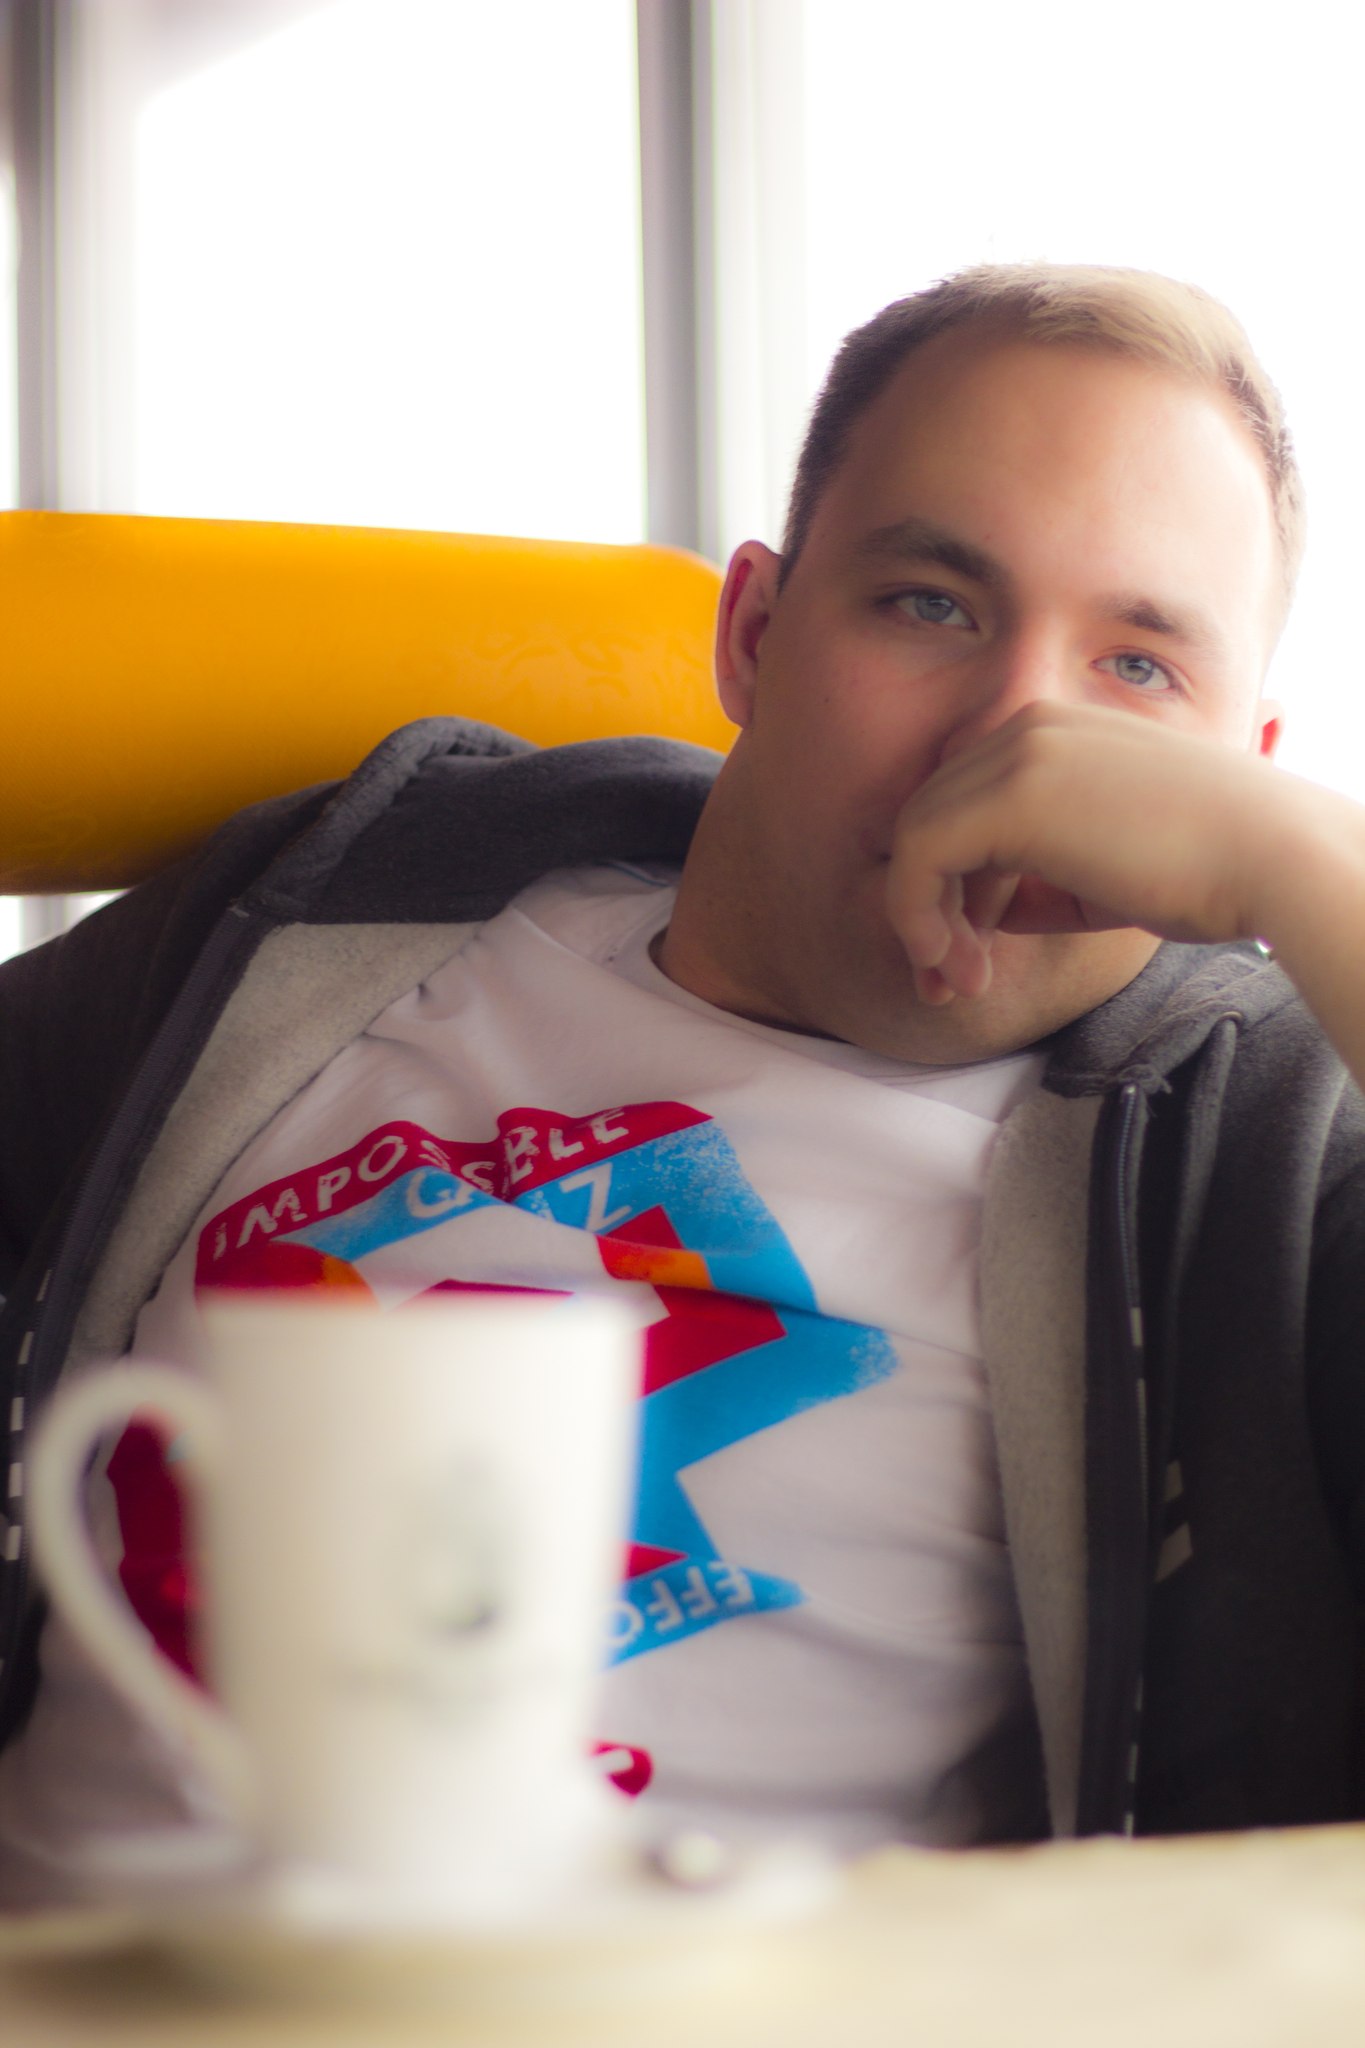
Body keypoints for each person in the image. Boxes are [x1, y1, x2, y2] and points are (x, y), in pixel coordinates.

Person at [3, 262, 1365, 1903]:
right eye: (928, 606)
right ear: (754, 637)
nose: (1016, 738)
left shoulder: (1266, 1148)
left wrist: (1311, 877)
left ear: (1237, 782)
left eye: (1138, 670)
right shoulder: (348, 900)